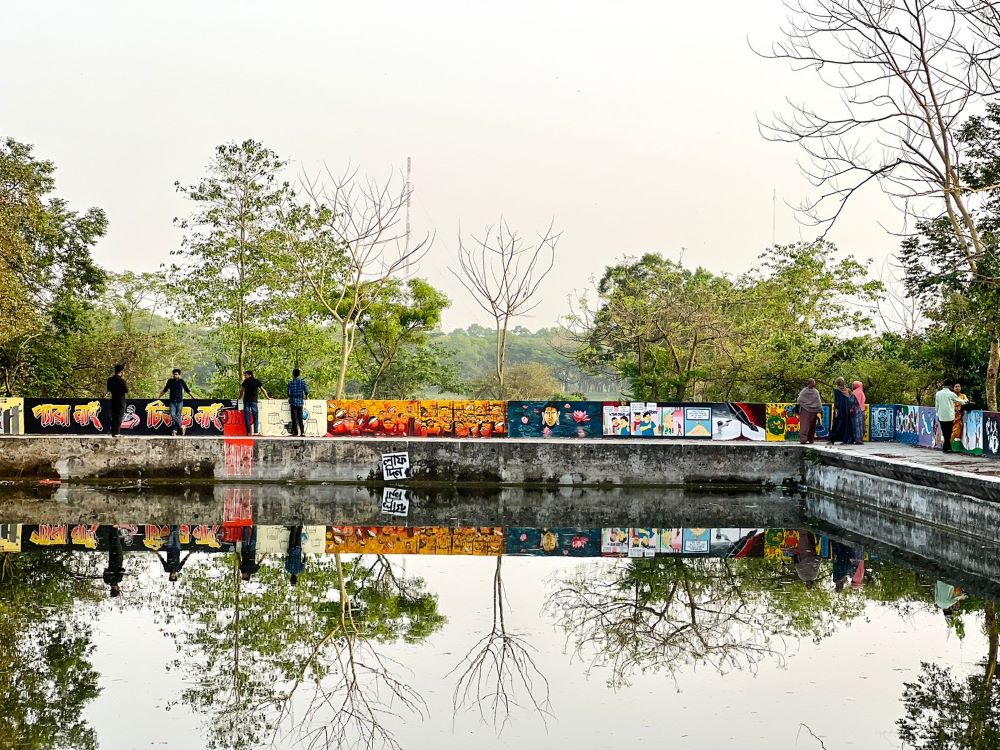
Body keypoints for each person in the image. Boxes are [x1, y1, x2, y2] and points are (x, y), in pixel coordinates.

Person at [159, 368, 194, 436]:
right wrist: (159, 397)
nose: (175, 375)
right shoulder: (170, 381)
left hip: (180, 401)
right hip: (172, 401)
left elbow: (187, 390)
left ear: (179, 375)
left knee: (177, 416)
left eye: (177, 374)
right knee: (172, 414)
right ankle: (182, 426)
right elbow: (165, 389)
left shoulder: (181, 381)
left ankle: (174, 431)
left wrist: (193, 397)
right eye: (174, 374)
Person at [935, 379, 964, 453]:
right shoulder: (951, 394)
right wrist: (967, 401)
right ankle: (946, 448)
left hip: (941, 415)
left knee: (945, 432)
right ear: (951, 386)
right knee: (949, 432)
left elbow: (936, 405)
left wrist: (938, 413)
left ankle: (947, 448)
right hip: (949, 416)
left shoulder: (938, 393)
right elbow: (960, 401)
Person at [829, 377, 857, 445]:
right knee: (846, 425)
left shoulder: (837, 390)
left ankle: (832, 440)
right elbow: (850, 401)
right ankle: (845, 440)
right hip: (846, 410)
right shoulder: (847, 390)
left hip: (840, 410)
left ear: (837, 383)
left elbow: (837, 401)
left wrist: (836, 410)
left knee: (837, 424)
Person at [239, 371, 268, 436]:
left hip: (246, 401)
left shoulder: (245, 382)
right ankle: (256, 432)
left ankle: (248, 432)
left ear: (250, 375)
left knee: (247, 416)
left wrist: (240, 397)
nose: (245, 376)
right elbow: (262, 389)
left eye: (246, 375)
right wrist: (267, 397)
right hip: (254, 401)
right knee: (255, 416)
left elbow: (242, 390)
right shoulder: (256, 381)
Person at [796, 378, 823, 444]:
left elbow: (818, 401)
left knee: (812, 426)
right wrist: (805, 405)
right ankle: (803, 439)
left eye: (814, 382)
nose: (814, 383)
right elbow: (799, 400)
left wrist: (820, 410)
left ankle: (811, 439)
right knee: (805, 425)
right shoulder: (804, 391)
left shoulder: (816, 391)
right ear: (809, 383)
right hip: (806, 410)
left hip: (813, 411)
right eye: (813, 382)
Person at [106, 364, 129, 437]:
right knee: (119, 416)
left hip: (113, 399)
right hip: (120, 400)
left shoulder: (110, 379)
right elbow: (126, 390)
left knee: (114, 416)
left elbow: (109, 389)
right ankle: (117, 432)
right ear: (121, 371)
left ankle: (113, 432)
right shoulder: (121, 381)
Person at [103, 526, 125, 597]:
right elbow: (105, 571)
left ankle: (114, 527)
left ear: (117, 589)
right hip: (111, 559)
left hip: (118, 559)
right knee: (112, 544)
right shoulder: (106, 580)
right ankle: (111, 528)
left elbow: (122, 570)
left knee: (116, 543)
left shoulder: (118, 579)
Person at [287, 368, 309, 437]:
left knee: (294, 418)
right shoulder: (302, 382)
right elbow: (306, 391)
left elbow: (288, 392)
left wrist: (290, 396)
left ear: (293, 374)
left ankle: (295, 432)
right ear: (299, 374)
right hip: (300, 402)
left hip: (293, 401)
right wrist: (306, 396)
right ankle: (302, 432)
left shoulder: (290, 382)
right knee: (300, 417)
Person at [851, 380, 867, 445]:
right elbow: (864, 400)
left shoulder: (854, 393)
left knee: (856, 425)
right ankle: (861, 439)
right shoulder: (862, 393)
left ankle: (857, 439)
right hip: (862, 410)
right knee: (861, 425)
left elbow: (852, 401)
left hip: (856, 410)